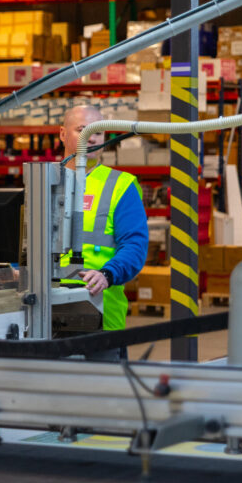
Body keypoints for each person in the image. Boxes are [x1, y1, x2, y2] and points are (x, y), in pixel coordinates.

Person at [58, 105, 149, 355]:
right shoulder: (44, 181)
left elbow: (135, 246)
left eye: (98, 132)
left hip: (100, 315)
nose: (92, 137)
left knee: (106, 391)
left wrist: (107, 274)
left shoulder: (120, 185)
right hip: (45, 311)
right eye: (82, 130)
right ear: (63, 135)